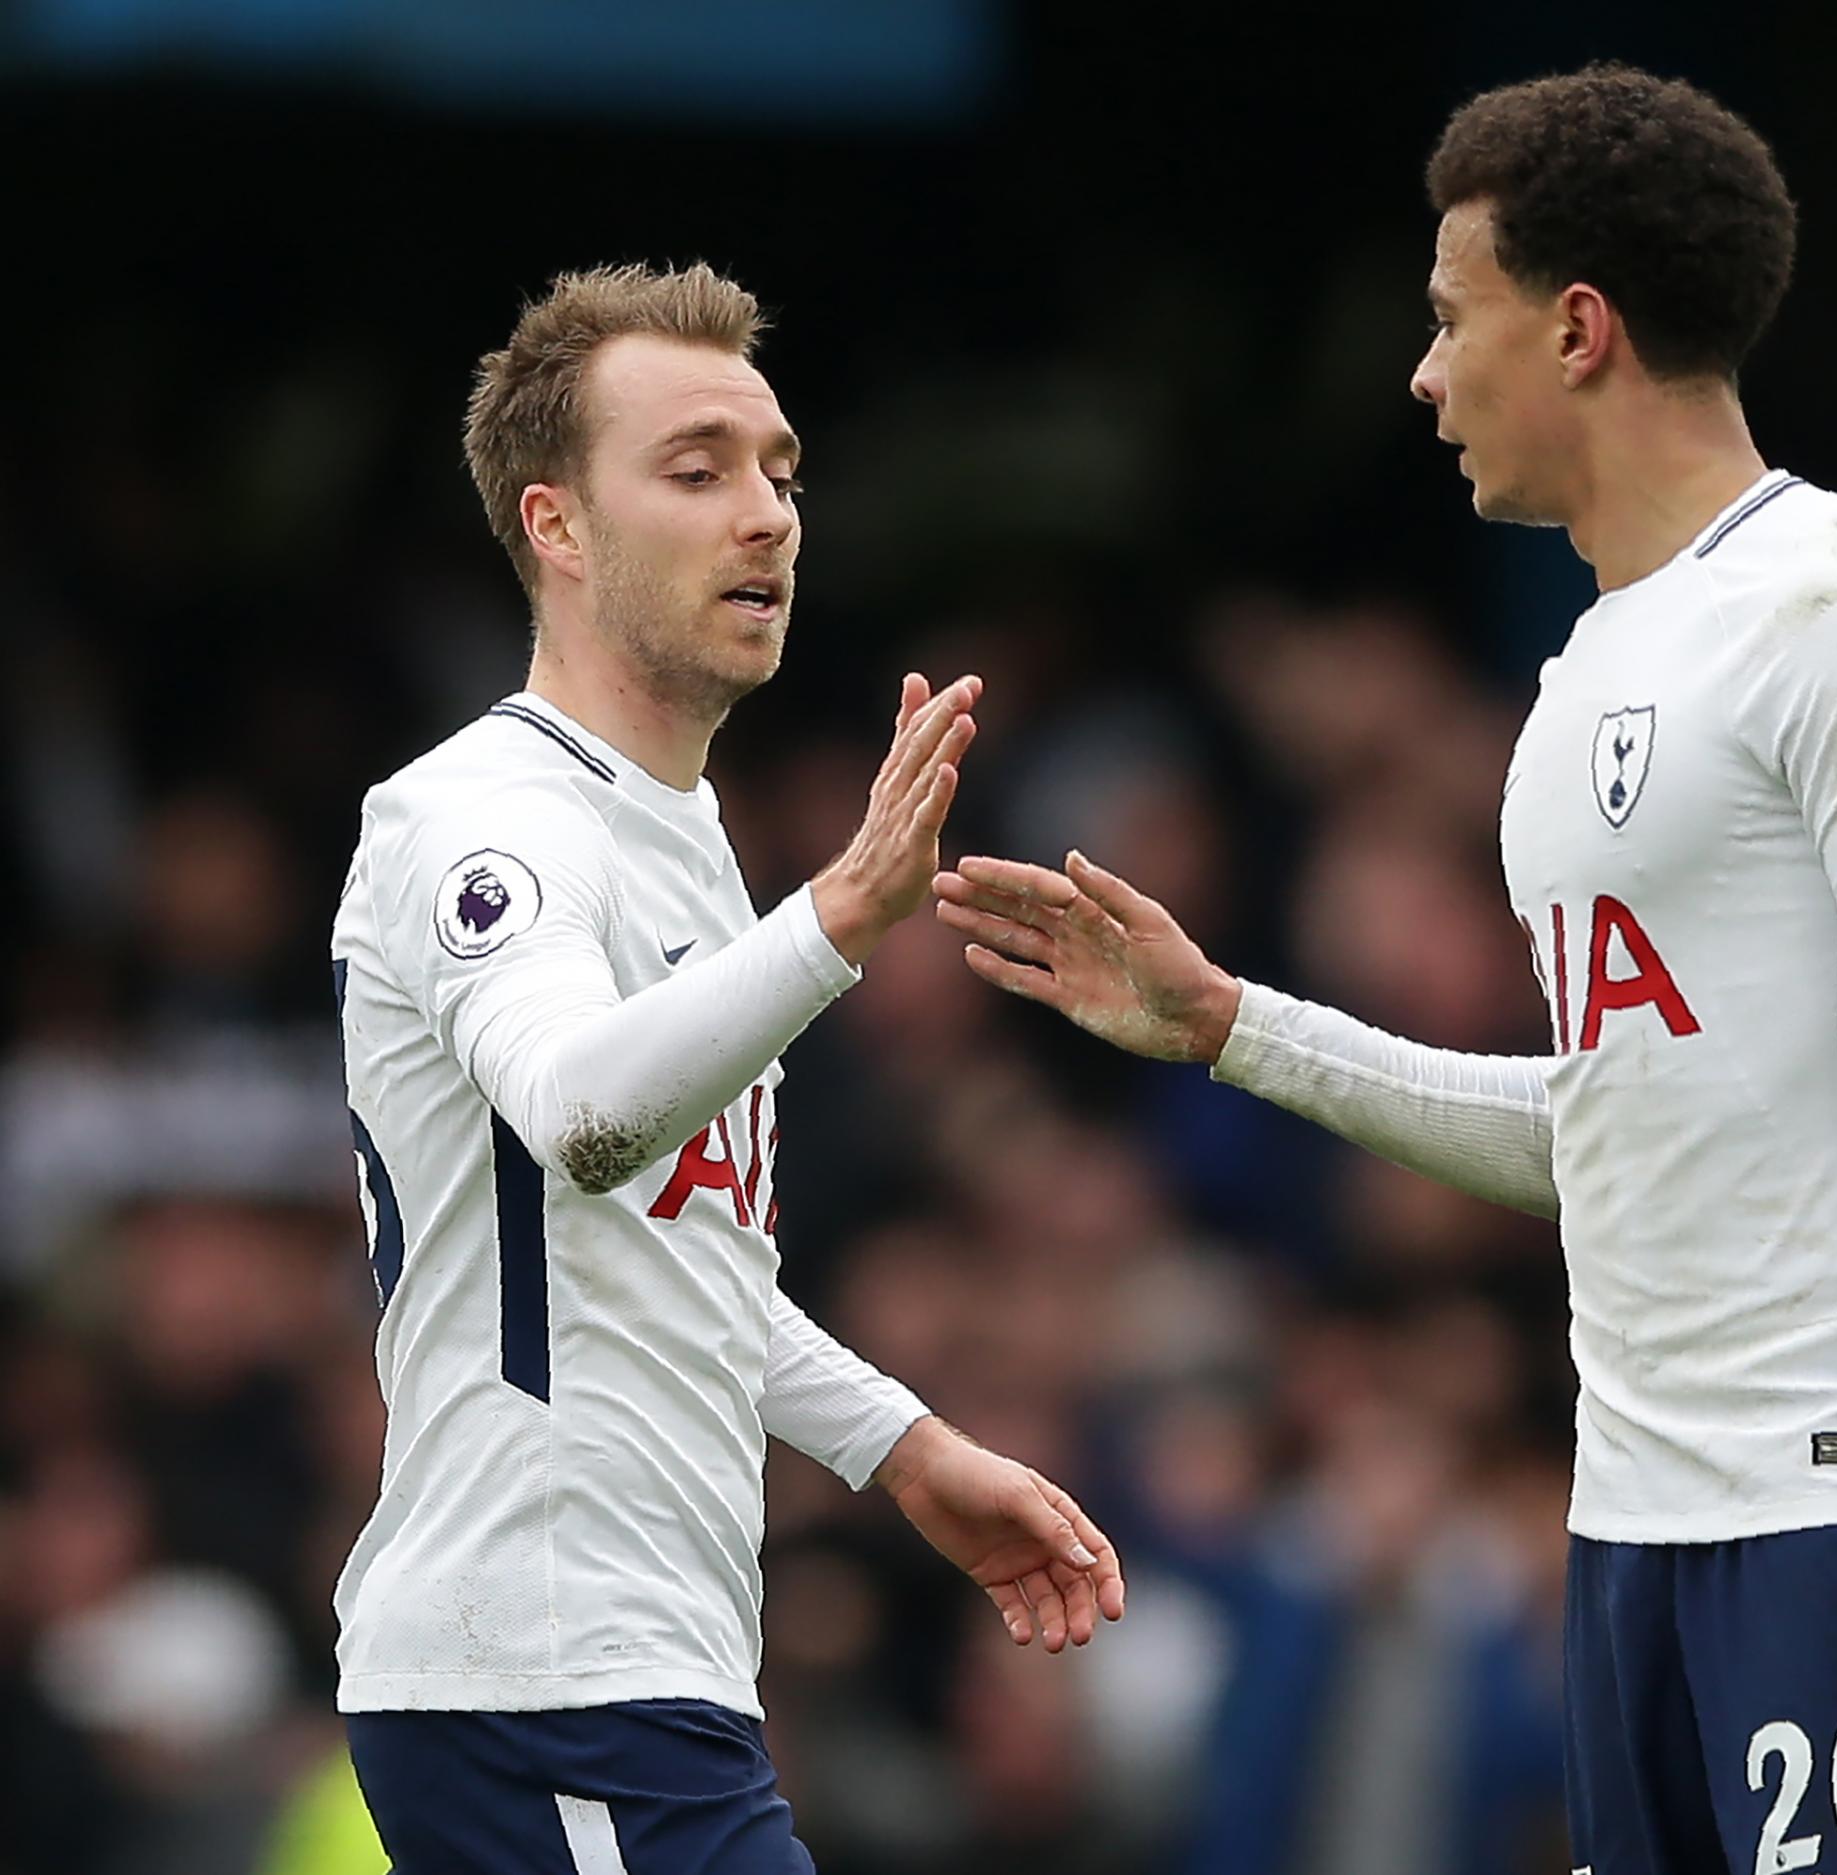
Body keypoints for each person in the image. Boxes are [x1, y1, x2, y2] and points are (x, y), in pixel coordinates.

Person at [935, 65, 1837, 1875]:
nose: (1424, 370)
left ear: (1582, 329)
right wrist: (1233, 1028)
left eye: (1452, 317)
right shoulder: (1580, 689)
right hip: (1634, 1518)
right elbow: (1607, 1131)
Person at [329, 261, 1123, 1874]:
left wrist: (905, 1449)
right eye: (696, 471)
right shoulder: (488, 821)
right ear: (556, 526)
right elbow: (585, 1115)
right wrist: (840, 915)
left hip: (628, 1676)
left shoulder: (680, 835)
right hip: (542, 1673)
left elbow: (673, 1267)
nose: (765, 514)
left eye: (780, 473)